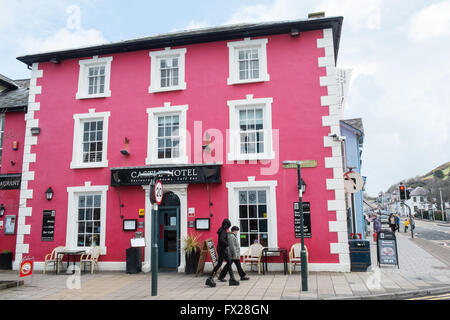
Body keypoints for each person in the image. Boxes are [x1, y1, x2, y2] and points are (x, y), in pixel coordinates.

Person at [205, 219, 239, 287]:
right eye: (228, 226)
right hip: (222, 249)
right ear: (226, 225)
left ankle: (232, 279)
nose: (228, 227)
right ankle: (210, 278)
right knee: (220, 264)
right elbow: (221, 240)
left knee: (229, 262)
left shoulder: (222, 230)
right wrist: (227, 244)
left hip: (223, 249)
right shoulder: (223, 231)